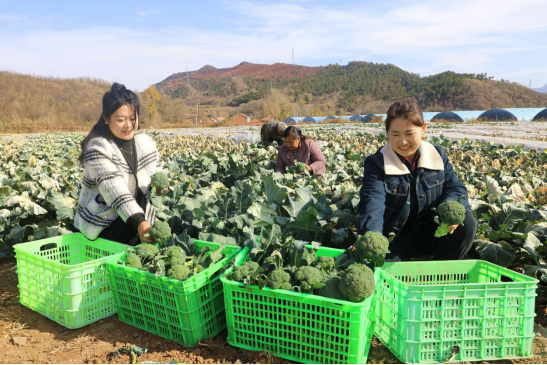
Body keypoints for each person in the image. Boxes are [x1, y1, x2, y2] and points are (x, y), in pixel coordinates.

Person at [358, 98, 478, 261]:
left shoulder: (437, 155)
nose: (403, 141)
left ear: (423, 129)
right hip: (394, 238)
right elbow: (373, 201)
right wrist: (371, 236)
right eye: (395, 134)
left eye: (409, 134)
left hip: (431, 234)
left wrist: (451, 209)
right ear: (387, 133)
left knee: (468, 222)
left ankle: (441, 274)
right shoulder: (377, 163)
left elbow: (455, 188)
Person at [74, 83, 163, 245]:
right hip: (104, 227)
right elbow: (114, 191)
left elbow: (158, 171)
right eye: (121, 120)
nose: (128, 125)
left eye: (132, 118)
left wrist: (161, 187)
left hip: (141, 223)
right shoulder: (98, 147)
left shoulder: (146, 142)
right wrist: (139, 222)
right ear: (106, 118)